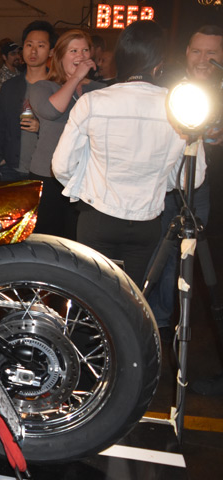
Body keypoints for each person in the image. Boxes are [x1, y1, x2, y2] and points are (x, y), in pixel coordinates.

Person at [52, 20, 205, 290]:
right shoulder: (181, 105)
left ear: (120, 59)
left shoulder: (94, 101)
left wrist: (86, 188)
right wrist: (161, 183)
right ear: (158, 63)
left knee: (92, 295)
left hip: (98, 215)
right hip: (147, 220)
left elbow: (61, 166)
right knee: (129, 297)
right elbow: (193, 176)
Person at [151, 25, 222, 360]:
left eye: (212, 53)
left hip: (209, 187)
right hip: (170, 185)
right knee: (165, 255)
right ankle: (161, 323)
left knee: (198, 259)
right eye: (197, 51)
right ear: (186, 53)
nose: (203, 59)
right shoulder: (169, 88)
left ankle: (197, 327)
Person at [28, 29, 104, 238]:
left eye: (85, 50)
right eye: (73, 51)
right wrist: (76, 77)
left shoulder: (100, 90)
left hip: (86, 176)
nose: (81, 56)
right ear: (60, 56)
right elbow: (52, 111)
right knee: (46, 237)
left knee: (78, 236)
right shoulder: (43, 87)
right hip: (48, 174)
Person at [0, 21, 56, 182]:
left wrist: (41, 128)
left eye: (41, 45)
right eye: (29, 45)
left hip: (46, 171)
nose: (33, 51)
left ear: (51, 51)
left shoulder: (58, 88)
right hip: (11, 169)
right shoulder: (10, 86)